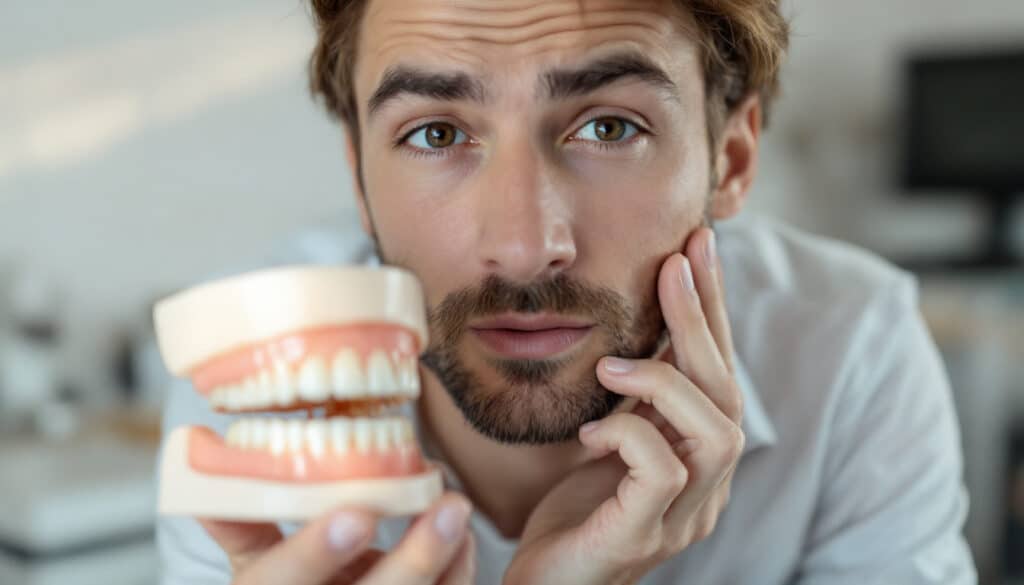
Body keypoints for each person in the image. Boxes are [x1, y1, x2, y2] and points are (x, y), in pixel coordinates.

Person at [157, 1, 978, 583]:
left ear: (731, 159)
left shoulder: (851, 353)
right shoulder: (248, 386)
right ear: (359, 180)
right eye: (436, 133)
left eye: (609, 127)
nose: (523, 246)